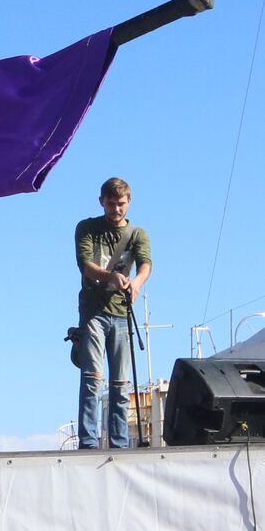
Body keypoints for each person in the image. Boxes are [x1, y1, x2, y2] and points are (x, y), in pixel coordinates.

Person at [76, 177, 151, 449]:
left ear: (128, 202)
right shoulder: (87, 228)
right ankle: (88, 442)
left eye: (120, 204)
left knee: (121, 384)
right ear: (101, 202)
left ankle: (119, 444)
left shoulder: (137, 234)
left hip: (121, 313)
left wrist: (136, 284)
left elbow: (145, 264)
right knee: (92, 378)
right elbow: (86, 265)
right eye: (111, 204)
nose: (116, 210)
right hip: (94, 311)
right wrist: (111, 276)